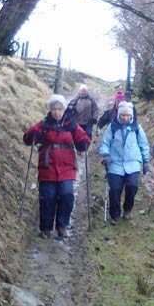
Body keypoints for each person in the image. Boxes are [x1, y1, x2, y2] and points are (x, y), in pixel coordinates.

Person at [23, 94, 90, 239]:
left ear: (64, 109)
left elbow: (83, 138)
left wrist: (83, 142)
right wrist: (33, 134)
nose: (57, 112)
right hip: (48, 165)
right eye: (54, 109)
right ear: (50, 109)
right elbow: (27, 138)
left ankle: (62, 225)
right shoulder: (44, 123)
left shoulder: (71, 124)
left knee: (67, 195)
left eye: (59, 109)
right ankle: (46, 228)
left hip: (66, 166)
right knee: (48, 197)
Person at [98, 101, 150, 225]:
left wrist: (146, 161)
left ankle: (127, 209)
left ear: (131, 116)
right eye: (123, 115)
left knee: (132, 186)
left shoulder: (136, 127)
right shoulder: (112, 126)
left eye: (128, 116)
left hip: (133, 163)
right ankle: (115, 215)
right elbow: (104, 144)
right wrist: (106, 155)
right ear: (119, 115)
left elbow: (144, 144)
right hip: (115, 163)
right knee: (115, 189)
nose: (125, 118)